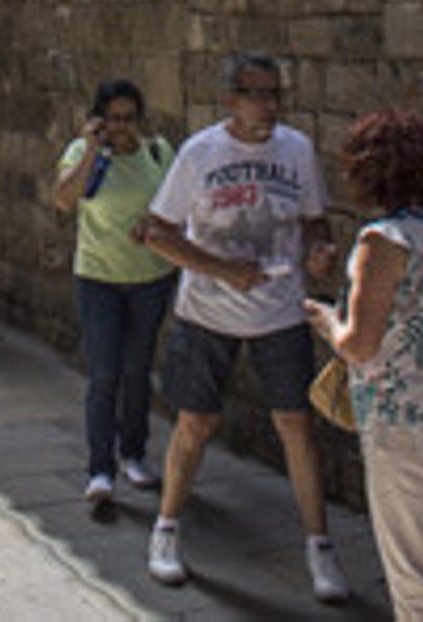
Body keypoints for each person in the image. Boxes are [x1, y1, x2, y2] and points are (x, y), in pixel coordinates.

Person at [142, 51, 347, 601]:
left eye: (276, 93)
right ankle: (165, 529)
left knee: (297, 426)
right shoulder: (199, 153)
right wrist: (222, 270)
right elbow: (157, 232)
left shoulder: (298, 150)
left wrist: (320, 249)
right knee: (195, 425)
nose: (270, 105)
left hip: (280, 310)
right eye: (258, 94)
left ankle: (319, 547)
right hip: (206, 313)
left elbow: (314, 218)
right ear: (231, 99)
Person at [306, 110, 423, 622]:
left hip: (403, 427)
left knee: (415, 580)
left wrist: (327, 322)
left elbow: (360, 345)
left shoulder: (384, 240)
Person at [54, 78, 176, 504]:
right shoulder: (82, 153)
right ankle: (100, 467)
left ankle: (135, 453)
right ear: (99, 120)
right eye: (113, 119)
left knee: (138, 370)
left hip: (149, 279)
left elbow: (177, 209)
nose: (122, 128)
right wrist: (92, 149)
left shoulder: (159, 153)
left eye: (128, 119)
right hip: (99, 279)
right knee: (104, 373)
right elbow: (65, 200)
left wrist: (157, 230)